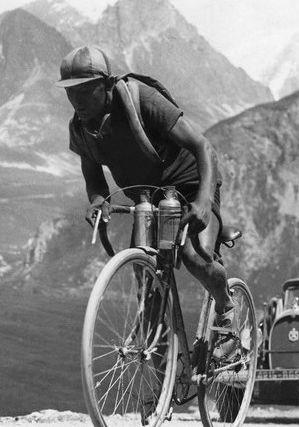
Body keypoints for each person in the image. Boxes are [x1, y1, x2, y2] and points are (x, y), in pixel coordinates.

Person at [55, 45, 236, 333]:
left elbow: (203, 147)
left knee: (193, 256)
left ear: (106, 83)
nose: (76, 100)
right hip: (148, 198)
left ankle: (227, 310)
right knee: (146, 281)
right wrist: (98, 201)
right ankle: (162, 362)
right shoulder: (81, 129)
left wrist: (202, 202)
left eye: (85, 90)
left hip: (191, 185)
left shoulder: (141, 99)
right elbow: (93, 177)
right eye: (70, 92)